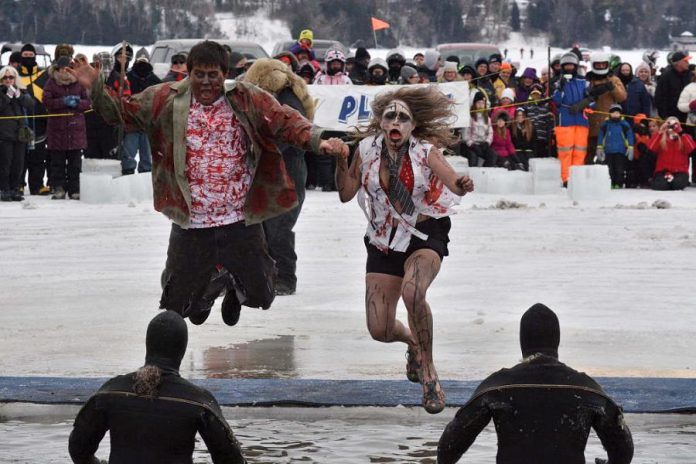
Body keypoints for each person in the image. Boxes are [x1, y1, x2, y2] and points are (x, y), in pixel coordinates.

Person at [69, 41, 346, 325]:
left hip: (238, 219)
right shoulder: (166, 98)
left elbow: (285, 120)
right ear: (188, 74)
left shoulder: (246, 97)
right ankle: (209, 288)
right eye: (199, 74)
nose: (206, 82)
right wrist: (95, 88)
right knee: (175, 305)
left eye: (213, 74)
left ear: (224, 74)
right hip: (193, 221)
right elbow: (121, 113)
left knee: (262, 295)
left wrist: (317, 140)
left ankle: (233, 288)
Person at [332, 86, 474, 414]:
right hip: (383, 239)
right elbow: (345, 192)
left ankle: (429, 373)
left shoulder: (425, 151)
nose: (396, 121)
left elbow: (452, 181)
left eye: (403, 118)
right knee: (379, 330)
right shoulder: (366, 149)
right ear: (381, 122)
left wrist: (462, 185)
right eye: (390, 116)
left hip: (424, 234)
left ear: (412, 125)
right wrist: (341, 162)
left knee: (413, 292)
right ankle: (414, 343)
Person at [438, 303, 634, 464]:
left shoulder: (498, 386)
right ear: (557, 340)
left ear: (523, 341)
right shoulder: (586, 388)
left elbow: (448, 449)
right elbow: (624, 450)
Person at [68, 310, 247, 463]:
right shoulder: (198, 402)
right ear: (182, 350)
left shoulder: (110, 392)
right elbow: (232, 460)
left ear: (148, 345)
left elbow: (78, 449)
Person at [242, 58, 316, 297]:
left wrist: (254, 150)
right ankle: (265, 275)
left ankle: (285, 277)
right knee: (264, 227)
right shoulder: (283, 97)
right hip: (275, 175)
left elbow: (283, 139)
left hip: (287, 176)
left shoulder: (287, 102)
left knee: (278, 228)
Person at [43, 56, 90, 200]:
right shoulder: (51, 83)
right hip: (57, 130)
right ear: (57, 69)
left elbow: (88, 102)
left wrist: (78, 103)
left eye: (68, 68)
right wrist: (62, 102)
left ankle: (75, 189)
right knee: (57, 163)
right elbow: (46, 101)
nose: (65, 71)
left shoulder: (79, 83)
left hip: (76, 130)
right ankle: (59, 188)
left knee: (75, 164)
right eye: (62, 68)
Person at [17, 43, 51, 195]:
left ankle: (37, 185)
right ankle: (18, 184)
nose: (28, 58)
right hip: (21, 122)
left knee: (38, 157)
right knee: (19, 157)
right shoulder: (15, 75)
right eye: (25, 56)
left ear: (35, 57)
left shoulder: (44, 76)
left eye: (31, 56)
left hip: (40, 122)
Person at [553, 52, 590, 186]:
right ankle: (565, 178)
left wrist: (582, 105)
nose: (569, 68)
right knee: (565, 151)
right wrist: (561, 87)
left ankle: (577, 177)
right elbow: (556, 101)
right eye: (566, 66)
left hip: (581, 119)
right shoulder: (558, 82)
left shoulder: (583, 82)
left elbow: (591, 100)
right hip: (565, 120)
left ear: (575, 66)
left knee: (580, 150)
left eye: (571, 65)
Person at [586, 52, 627, 163]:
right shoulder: (588, 79)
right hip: (591, 124)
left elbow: (622, 96)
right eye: (597, 65)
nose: (600, 67)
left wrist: (612, 88)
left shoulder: (613, 79)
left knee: (608, 157)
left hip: (609, 125)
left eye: (603, 65)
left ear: (607, 65)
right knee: (590, 155)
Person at [0, 65, 33, 201]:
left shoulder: (22, 90)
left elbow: (31, 104)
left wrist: (19, 96)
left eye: (11, 77)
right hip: (4, 134)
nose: (8, 80)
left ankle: (15, 189)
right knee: (5, 163)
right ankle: (4, 189)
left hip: (20, 134)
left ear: (15, 78)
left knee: (18, 164)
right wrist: (7, 96)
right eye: (5, 77)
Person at [649, 117, 696, 190]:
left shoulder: (684, 137)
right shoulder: (661, 138)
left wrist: (681, 132)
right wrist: (660, 132)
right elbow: (651, 147)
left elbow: (691, 148)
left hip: (680, 171)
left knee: (677, 185)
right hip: (663, 171)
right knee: (662, 186)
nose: (672, 128)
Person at [596, 104, 634, 189]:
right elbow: (601, 136)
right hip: (608, 151)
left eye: (617, 112)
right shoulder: (605, 125)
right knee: (609, 169)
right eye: (613, 112)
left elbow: (630, 135)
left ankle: (619, 183)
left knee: (620, 169)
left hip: (620, 151)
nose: (615, 114)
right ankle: (611, 183)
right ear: (610, 114)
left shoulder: (624, 124)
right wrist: (599, 147)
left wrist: (631, 147)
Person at [462, 90, 497, 167]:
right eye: (478, 103)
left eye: (482, 103)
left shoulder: (487, 118)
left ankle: (485, 173)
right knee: (473, 157)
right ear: (474, 104)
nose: (481, 105)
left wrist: (487, 143)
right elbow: (465, 136)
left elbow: (490, 133)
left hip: (483, 144)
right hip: (472, 145)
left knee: (492, 155)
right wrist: (472, 145)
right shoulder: (470, 118)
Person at [655, 51, 692, 123]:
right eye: (686, 60)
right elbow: (659, 97)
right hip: (672, 117)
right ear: (678, 63)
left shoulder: (690, 75)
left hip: (688, 116)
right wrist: (665, 116)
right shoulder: (666, 76)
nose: (688, 63)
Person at [525, 83, 555, 158]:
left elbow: (550, 122)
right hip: (531, 136)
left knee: (542, 154)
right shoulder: (527, 106)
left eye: (537, 94)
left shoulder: (546, 107)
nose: (535, 96)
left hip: (542, 136)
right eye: (533, 94)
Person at [677, 71, 696, 183]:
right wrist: (690, 105)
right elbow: (680, 106)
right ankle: (686, 177)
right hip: (691, 125)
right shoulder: (689, 88)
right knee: (691, 152)